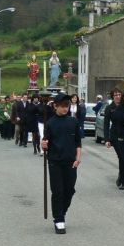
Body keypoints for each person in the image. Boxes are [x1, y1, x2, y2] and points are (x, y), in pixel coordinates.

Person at [41, 93, 82, 235]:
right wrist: (43, 144)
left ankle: (61, 212)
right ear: (55, 106)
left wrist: (78, 158)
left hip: (71, 161)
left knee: (69, 190)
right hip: (55, 162)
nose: (65, 109)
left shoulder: (73, 122)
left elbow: (78, 142)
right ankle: (59, 219)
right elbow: (45, 144)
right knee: (57, 191)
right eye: (63, 106)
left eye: (67, 106)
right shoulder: (50, 123)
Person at [103, 88, 124, 189]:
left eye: (119, 94)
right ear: (113, 96)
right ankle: (123, 178)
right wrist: (107, 139)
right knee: (121, 156)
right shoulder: (109, 108)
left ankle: (122, 176)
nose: (117, 96)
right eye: (115, 95)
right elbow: (106, 124)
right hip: (115, 136)